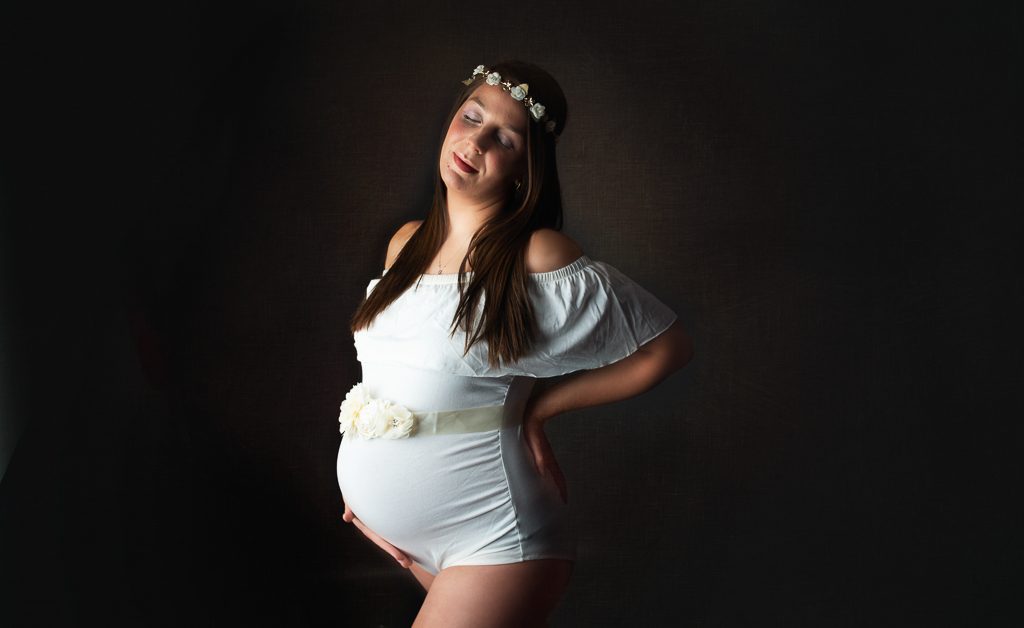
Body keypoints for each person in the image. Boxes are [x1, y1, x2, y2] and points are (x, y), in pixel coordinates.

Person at [337, 60, 694, 627]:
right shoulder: (404, 245)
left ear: (525, 169)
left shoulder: (538, 258)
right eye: (470, 118)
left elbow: (668, 348)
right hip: (406, 541)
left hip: (495, 536)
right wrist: (366, 482)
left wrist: (539, 409)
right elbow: (393, 376)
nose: (475, 141)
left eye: (502, 137)